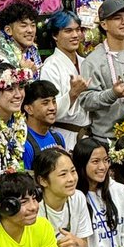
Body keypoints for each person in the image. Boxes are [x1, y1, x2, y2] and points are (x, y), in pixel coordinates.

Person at [81, 0, 124, 139]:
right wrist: (112, 94)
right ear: (104, 24)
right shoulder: (93, 61)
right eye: (117, 18)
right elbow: (86, 101)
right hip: (105, 138)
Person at [39, 10, 91, 148]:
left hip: (89, 135)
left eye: (78, 30)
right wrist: (73, 93)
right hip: (64, 136)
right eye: (68, 31)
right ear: (55, 35)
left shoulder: (86, 62)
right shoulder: (50, 67)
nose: (75, 35)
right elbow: (48, 111)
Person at [22, 79, 65, 170]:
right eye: (45, 103)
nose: (52, 108)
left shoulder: (58, 138)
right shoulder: (24, 145)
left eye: (54, 101)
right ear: (29, 109)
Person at [0, 1, 42, 75]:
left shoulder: (32, 50)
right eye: (23, 26)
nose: (30, 30)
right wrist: (25, 73)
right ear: (8, 30)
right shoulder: (0, 58)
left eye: (33, 25)